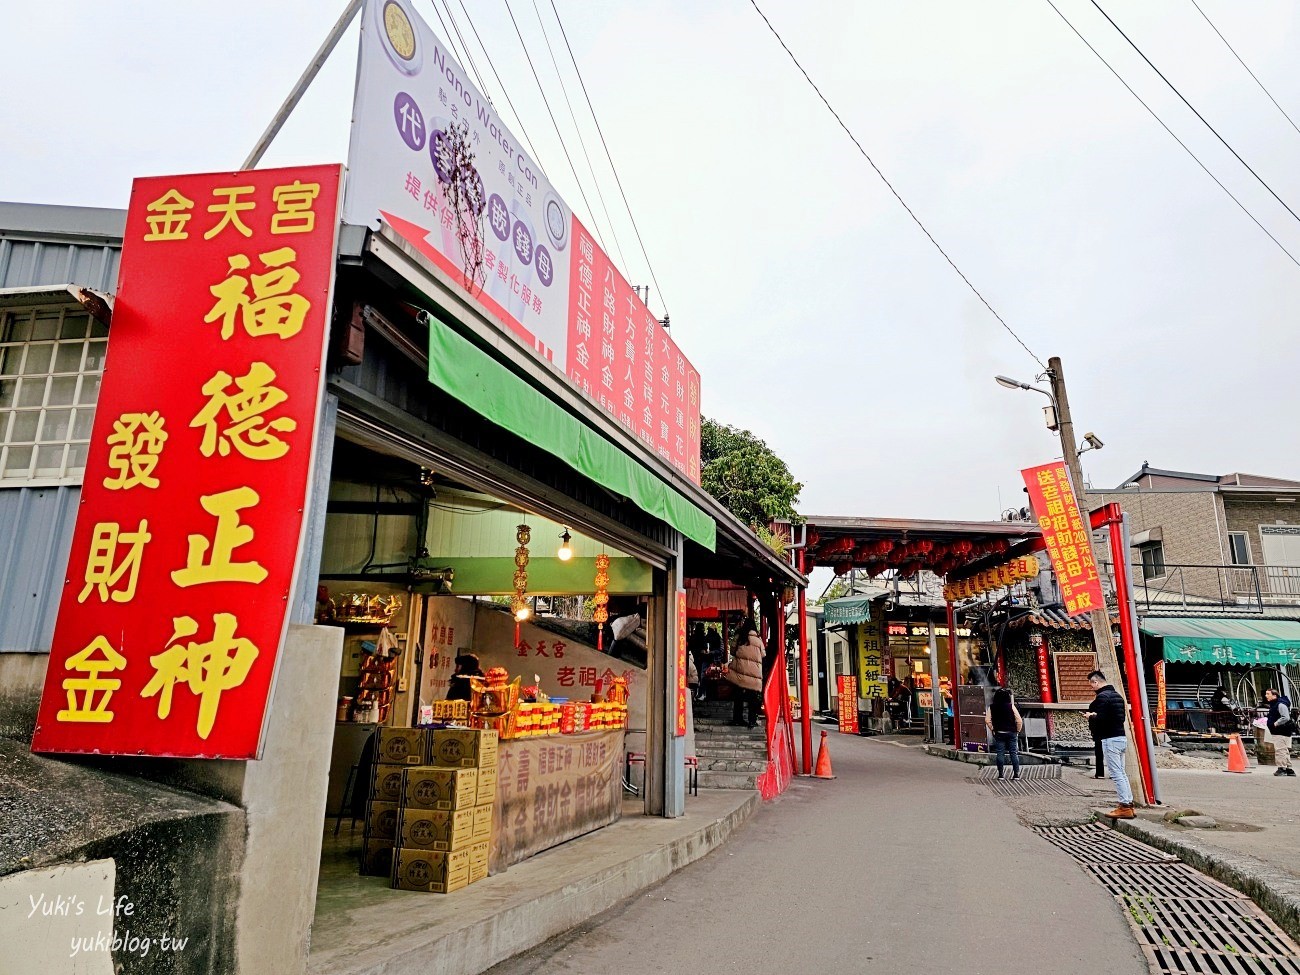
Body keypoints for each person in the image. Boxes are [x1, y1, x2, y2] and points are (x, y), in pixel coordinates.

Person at [1085, 669, 1134, 818]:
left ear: (1096, 682)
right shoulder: (1118, 696)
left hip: (1110, 739)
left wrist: (1091, 717)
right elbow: (1118, 718)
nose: (1092, 688)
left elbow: (1102, 719)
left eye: (1092, 685)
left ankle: (1124, 806)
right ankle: (1129, 803)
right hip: (1121, 737)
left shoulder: (1102, 697)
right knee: (1122, 773)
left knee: (1115, 773)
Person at [725, 622, 764, 728]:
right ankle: (752, 720)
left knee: (738, 696)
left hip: (740, 673)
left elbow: (732, 651)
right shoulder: (759, 640)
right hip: (754, 675)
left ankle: (738, 719)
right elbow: (763, 655)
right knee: (753, 698)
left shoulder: (739, 638)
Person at [984, 687, 1023, 779]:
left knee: (1000, 753)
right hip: (1011, 732)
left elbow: (987, 720)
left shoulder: (992, 707)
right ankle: (1016, 775)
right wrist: (1017, 730)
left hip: (999, 733)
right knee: (1013, 753)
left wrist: (993, 728)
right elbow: (1019, 720)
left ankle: (1001, 775)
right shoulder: (1011, 706)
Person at [1264, 688, 1296, 777]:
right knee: (1284, 750)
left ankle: (1281, 768)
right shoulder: (1276, 704)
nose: (1266, 695)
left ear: (1274, 695)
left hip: (1281, 731)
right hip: (1281, 731)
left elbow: (1286, 717)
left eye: (1268, 694)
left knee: (1280, 750)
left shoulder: (1280, 704)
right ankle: (1289, 768)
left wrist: (1276, 723)